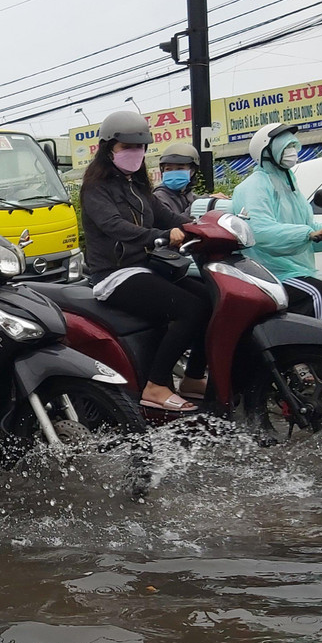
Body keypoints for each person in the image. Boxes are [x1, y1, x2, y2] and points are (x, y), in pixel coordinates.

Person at [79, 109, 210, 414]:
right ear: (108, 148)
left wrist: (203, 227)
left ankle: (192, 377)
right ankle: (156, 385)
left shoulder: (138, 187)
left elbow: (171, 217)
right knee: (190, 309)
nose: (135, 153)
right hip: (113, 275)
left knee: (210, 298)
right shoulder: (95, 188)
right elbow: (114, 226)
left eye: (139, 147)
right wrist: (160, 235)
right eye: (127, 147)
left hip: (146, 268)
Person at [230, 122, 322, 321]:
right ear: (266, 151)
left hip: (295, 270)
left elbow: (306, 228)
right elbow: (259, 230)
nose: (292, 151)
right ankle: (317, 351)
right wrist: (309, 234)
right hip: (271, 272)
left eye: (293, 146)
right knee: (320, 294)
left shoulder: (288, 183)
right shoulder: (254, 186)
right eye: (285, 146)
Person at [154, 142, 200, 220]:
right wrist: (199, 205)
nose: (173, 173)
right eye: (168, 169)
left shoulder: (190, 196)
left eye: (180, 169)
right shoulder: (158, 198)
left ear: (192, 171)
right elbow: (171, 223)